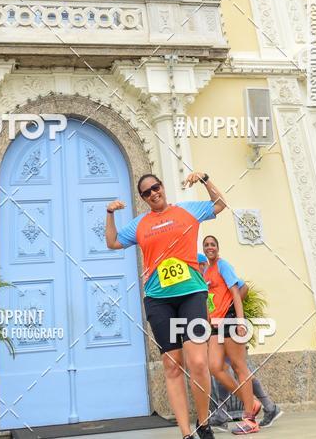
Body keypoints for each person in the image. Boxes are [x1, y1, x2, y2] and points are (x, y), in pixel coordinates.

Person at [106, 171, 227, 439]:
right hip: (159, 300)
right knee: (172, 365)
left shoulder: (187, 211)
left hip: (192, 294)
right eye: (146, 192)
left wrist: (206, 179)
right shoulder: (140, 224)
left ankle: (204, 423)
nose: (152, 193)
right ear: (142, 198)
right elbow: (112, 242)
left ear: (162, 186)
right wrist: (110, 213)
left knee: (197, 362)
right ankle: (186, 433)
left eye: (155, 187)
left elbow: (220, 204)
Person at [199, 240, 282, 430]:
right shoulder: (207, 272)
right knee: (215, 368)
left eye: (212, 244)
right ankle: (252, 402)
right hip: (216, 326)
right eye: (206, 245)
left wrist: (239, 319)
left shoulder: (223, 265)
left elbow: (238, 291)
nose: (209, 247)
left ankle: (250, 419)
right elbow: (210, 301)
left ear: (218, 247)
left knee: (239, 368)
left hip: (230, 322)